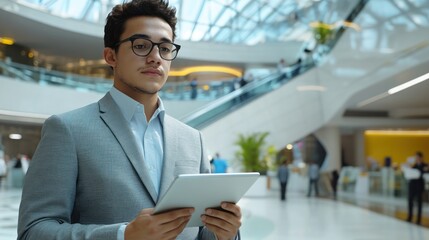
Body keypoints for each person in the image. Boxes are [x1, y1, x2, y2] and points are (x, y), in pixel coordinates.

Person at [17, 1, 242, 240]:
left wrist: (225, 233)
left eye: (165, 49)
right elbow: (33, 231)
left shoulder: (191, 139)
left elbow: (200, 233)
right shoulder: (67, 130)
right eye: (142, 45)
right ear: (110, 56)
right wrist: (123, 235)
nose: (156, 58)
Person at [406, 151, 429, 225]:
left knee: (419, 202)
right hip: (412, 185)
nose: (417, 159)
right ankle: (410, 217)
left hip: (419, 186)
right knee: (410, 201)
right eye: (416, 157)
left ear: (421, 158)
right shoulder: (413, 165)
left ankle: (418, 219)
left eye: (418, 157)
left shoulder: (425, 165)